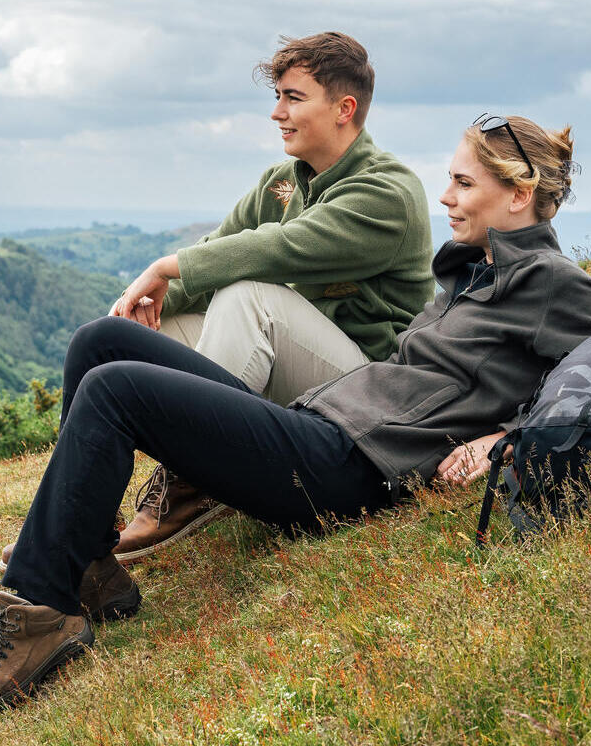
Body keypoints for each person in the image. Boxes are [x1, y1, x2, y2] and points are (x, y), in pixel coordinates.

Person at [0, 114, 591, 716]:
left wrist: (505, 439)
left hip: (351, 467)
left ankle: (41, 613)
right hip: (326, 423)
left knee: (114, 389)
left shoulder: (553, 283)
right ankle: (90, 568)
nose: (445, 196)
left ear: (519, 194)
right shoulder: (476, 271)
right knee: (101, 341)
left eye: (463, 183)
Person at [102, 32, 433, 562]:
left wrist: (164, 267)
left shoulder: (387, 192)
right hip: (292, 369)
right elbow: (218, 250)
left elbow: (277, 250)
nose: (277, 113)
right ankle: (90, 512)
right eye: (278, 96)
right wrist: (140, 304)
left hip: (364, 388)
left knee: (249, 294)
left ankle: (194, 478)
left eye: (293, 98)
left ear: (344, 109)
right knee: (133, 338)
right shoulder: (281, 182)